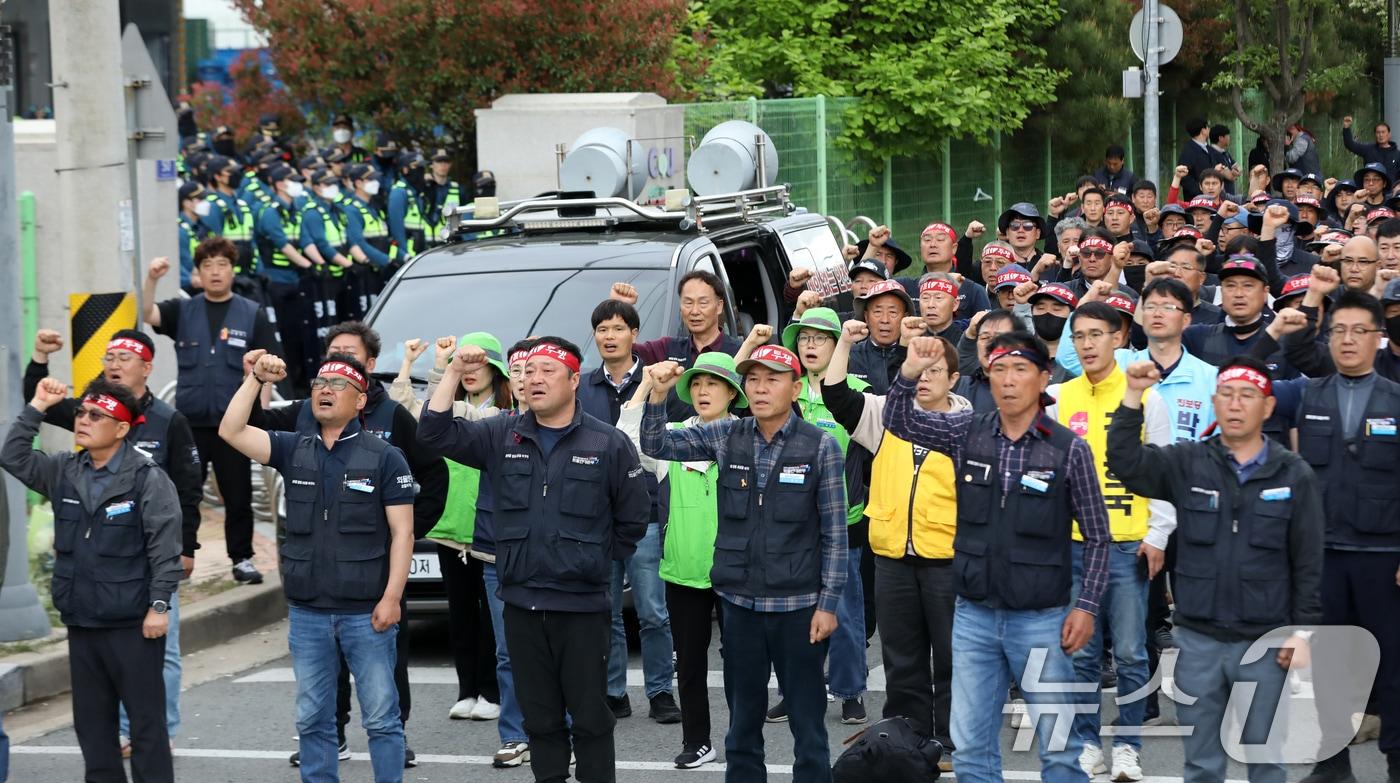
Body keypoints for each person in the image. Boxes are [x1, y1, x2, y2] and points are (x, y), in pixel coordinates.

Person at [418, 337, 652, 783]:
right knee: (540, 721)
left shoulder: (607, 443)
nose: (534, 378)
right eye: (527, 371)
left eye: (547, 370)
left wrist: (591, 560)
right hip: (521, 605)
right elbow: (434, 433)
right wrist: (450, 371)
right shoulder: (500, 433)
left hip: (581, 607)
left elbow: (634, 517)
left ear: (573, 379)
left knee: (590, 719)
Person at [881, 332, 1110, 782]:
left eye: (1020, 369)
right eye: (999, 369)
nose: (1008, 380)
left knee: (1060, 749)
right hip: (974, 616)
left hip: (1042, 619)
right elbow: (899, 420)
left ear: (1044, 378)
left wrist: (1086, 607)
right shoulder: (968, 433)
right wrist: (908, 373)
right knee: (970, 748)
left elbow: (1099, 538)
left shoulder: (1068, 449)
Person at [1106, 355, 1323, 783]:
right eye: (1226, 394)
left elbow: (1309, 560)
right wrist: (1132, 397)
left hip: (1266, 641)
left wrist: (1303, 632)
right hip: (1199, 641)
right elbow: (1126, 463)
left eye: (1248, 395)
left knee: (1266, 761)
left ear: (1267, 407)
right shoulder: (1187, 462)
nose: (1236, 404)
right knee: (1202, 764)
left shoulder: (1293, 474)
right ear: (1214, 403)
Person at [640, 344, 848, 783]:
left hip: (799, 608)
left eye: (773, 379)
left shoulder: (820, 446)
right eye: (752, 379)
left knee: (808, 725)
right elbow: (656, 443)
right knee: (743, 725)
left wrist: (828, 604)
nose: (760, 387)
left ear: (795, 388)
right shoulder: (725, 436)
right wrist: (657, 397)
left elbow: (834, 533)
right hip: (739, 604)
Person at [253, 321, 448, 768]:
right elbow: (249, 428)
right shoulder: (305, 414)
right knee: (320, 690)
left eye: (350, 356)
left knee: (383, 679)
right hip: (314, 580)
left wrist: (412, 530)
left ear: (369, 367)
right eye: (331, 356)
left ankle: (394, 737)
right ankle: (333, 734)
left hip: (369, 577)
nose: (337, 368)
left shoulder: (389, 419)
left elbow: (432, 472)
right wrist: (258, 379)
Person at [220, 353, 415, 783]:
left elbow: (402, 534)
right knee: (312, 718)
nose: (326, 389)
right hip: (308, 611)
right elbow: (230, 430)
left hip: (368, 613)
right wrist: (255, 378)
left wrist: (392, 598)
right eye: (320, 382)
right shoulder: (294, 448)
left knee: (382, 718)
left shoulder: (386, 457)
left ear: (361, 401)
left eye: (339, 384)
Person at [25, 329, 201, 753]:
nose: (115, 363)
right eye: (109, 356)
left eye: (126, 356)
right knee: (115, 653)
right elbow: (40, 405)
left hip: (155, 552)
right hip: (104, 560)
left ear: (147, 367)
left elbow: (189, 486)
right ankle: (125, 732)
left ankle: (161, 730)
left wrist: (187, 547)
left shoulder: (168, 420)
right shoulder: (92, 411)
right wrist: (40, 359)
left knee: (164, 644)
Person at [2, 377, 182, 783]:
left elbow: (165, 550)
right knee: (92, 727)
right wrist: (37, 406)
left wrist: (159, 607)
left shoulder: (146, 478)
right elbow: (12, 456)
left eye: (96, 416)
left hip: (132, 626)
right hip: (82, 620)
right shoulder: (64, 470)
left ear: (121, 429)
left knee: (146, 727)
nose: (83, 420)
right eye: (81, 412)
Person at [1258, 291, 1400, 783]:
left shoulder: (1396, 399)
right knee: (1330, 666)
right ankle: (1332, 762)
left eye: (1360, 330)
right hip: (1324, 555)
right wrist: (1285, 326)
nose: (1348, 340)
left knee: (1395, 668)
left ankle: (1396, 761)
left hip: (1385, 556)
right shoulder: (1307, 394)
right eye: (1338, 330)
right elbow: (1248, 375)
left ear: (1379, 337)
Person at [820, 323, 969, 773]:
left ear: (954, 379)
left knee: (951, 654)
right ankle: (909, 734)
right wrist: (845, 342)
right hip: (891, 557)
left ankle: (950, 738)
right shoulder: (886, 412)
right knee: (901, 655)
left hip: (947, 558)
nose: (924, 376)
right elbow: (837, 395)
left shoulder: (970, 425)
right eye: (918, 367)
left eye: (935, 369)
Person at [1046, 302, 1177, 781]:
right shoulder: (1058, 397)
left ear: (1118, 338)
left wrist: (1158, 533)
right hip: (1075, 544)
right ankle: (1086, 742)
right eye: (1078, 336)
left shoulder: (1145, 396)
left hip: (1126, 544)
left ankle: (1127, 745)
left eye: (1096, 335)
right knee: (1079, 653)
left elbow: (1163, 471)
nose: (1087, 345)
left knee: (1130, 652)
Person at [615, 351, 750, 768]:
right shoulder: (671, 435)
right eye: (696, 383)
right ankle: (698, 742)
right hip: (684, 571)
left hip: (738, 573)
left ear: (732, 392)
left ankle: (743, 742)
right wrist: (651, 386)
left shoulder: (748, 437)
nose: (703, 390)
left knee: (742, 664)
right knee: (690, 665)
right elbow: (627, 437)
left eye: (713, 383)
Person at [142, 240, 279, 585]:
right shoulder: (182, 311)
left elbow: (269, 369)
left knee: (237, 495)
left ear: (232, 270)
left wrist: (259, 419)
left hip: (233, 426)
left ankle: (242, 559)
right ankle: (178, 555)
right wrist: (152, 279)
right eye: (208, 266)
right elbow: (148, 314)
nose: (215, 271)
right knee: (183, 493)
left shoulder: (251, 313)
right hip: (190, 424)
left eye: (221, 264)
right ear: (198, 273)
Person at [764, 307, 873, 725]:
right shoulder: (784, 390)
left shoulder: (856, 389)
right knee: (792, 615)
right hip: (792, 523)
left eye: (820, 339)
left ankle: (848, 692)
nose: (811, 346)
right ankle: (795, 690)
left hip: (843, 521)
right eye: (804, 339)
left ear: (836, 345)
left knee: (844, 613)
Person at [575, 298, 682, 724]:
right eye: (602, 329)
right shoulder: (582, 386)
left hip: (647, 514)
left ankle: (660, 692)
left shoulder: (661, 380)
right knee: (606, 610)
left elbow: (672, 442)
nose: (609, 336)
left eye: (618, 328)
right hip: (599, 517)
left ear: (634, 334)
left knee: (653, 610)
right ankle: (614, 690)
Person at [255, 163, 320, 393]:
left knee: (302, 335)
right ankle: (289, 386)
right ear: (280, 184)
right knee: (287, 337)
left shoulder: (295, 210)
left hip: (295, 280)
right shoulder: (271, 212)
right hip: (278, 282)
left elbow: (305, 241)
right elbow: (282, 244)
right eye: (293, 181)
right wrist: (305, 264)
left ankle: (303, 384)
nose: (298, 186)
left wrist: (317, 263)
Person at [848, 279, 914, 394]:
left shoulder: (917, 358)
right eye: (877, 312)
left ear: (905, 318)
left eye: (893, 312)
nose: (885, 320)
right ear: (866, 317)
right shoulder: (849, 355)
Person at [387, 153, 430, 265]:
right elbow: (397, 229)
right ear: (405, 170)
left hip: (419, 254)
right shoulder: (399, 193)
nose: (421, 170)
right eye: (416, 167)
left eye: (422, 167)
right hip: (408, 259)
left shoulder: (416, 191)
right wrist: (405, 255)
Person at [1343, 116, 1400, 182]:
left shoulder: (1397, 154)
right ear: (1375, 134)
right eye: (1378, 132)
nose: (1380, 135)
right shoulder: (1368, 150)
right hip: (1370, 189)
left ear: (1389, 134)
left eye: (1383, 132)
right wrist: (1346, 127)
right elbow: (1350, 145)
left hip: (1390, 190)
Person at [1177, 117, 1215, 201]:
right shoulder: (1188, 151)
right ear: (1203, 130)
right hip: (1195, 201)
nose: (1209, 129)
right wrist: (1201, 191)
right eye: (1207, 127)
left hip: (1213, 199)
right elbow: (1184, 177)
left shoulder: (1209, 149)